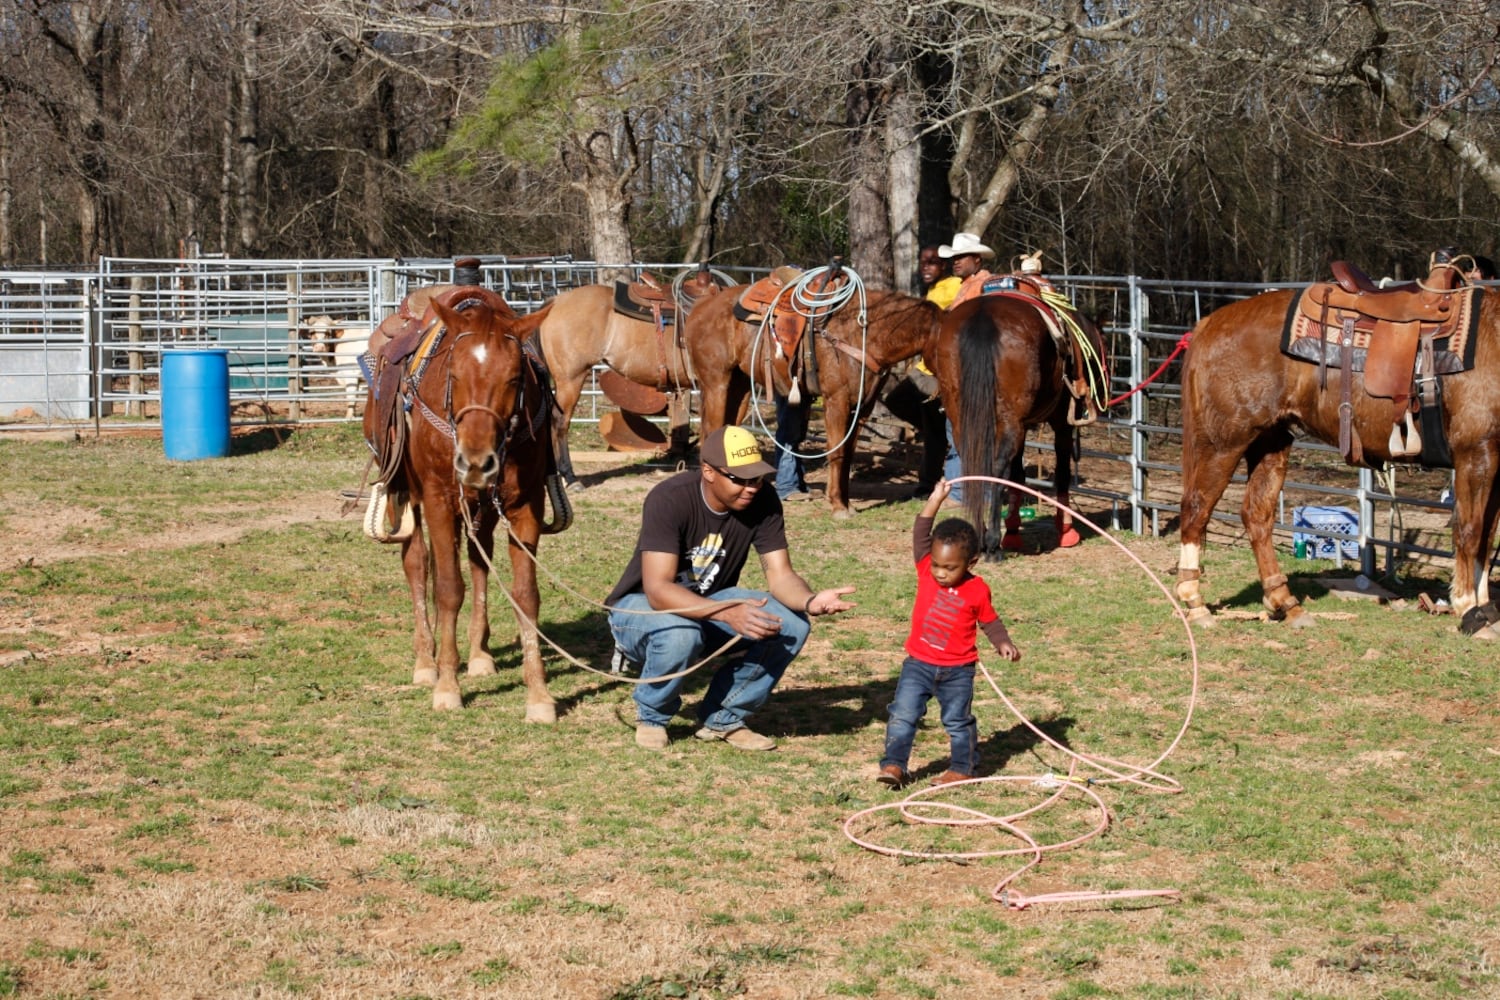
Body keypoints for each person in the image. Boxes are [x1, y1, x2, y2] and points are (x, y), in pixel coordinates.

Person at [607, 425, 858, 751]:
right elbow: (658, 590)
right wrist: (728, 612)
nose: (752, 487)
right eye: (740, 479)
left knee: (792, 624)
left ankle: (723, 717)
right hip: (640, 608)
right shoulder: (669, 498)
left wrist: (809, 601)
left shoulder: (764, 499)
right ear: (709, 472)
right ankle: (653, 715)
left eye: (756, 477)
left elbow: (781, 576)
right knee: (682, 632)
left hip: (709, 602)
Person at [876, 479, 1021, 787]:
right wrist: (935, 498)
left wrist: (1002, 642)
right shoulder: (926, 568)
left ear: (971, 562)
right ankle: (893, 766)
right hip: (918, 664)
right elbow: (921, 530)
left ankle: (963, 767)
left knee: (957, 721)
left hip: (958, 671)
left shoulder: (977, 589)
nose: (940, 573)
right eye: (938, 566)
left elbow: (990, 622)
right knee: (903, 714)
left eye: (950, 567)